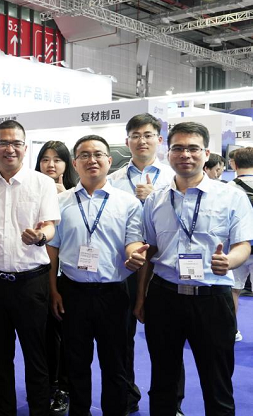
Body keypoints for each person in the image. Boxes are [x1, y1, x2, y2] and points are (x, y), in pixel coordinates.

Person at [135, 121, 253, 415]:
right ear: (168, 153)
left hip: (212, 299)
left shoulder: (231, 197)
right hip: (164, 297)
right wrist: (140, 298)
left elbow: (244, 244)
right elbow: (150, 250)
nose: (185, 154)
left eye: (193, 148)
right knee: (163, 380)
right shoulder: (156, 199)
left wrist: (230, 261)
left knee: (218, 384)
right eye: (178, 148)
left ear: (206, 153)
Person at [47, 135, 145, 416]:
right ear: (74, 163)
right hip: (72, 292)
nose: (92, 160)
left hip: (113, 293)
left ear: (109, 161)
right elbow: (52, 251)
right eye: (85, 155)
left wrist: (135, 254)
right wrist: (53, 290)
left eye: (98, 154)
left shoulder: (128, 203)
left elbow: (133, 241)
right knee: (76, 362)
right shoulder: (60, 202)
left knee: (116, 364)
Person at [0, 120, 60, 415]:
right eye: (4, 143)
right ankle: (5, 408)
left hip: (31, 283)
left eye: (16, 143)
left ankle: (39, 410)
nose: (10, 149)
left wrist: (40, 236)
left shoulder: (42, 183)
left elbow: (51, 227)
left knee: (36, 355)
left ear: (25, 147)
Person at [106, 112, 178, 414]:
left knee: (167, 341)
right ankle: (126, 395)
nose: (142, 141)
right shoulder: (113, 179)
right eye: (135, 136)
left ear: (159, 140)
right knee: (121, 338)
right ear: (127, 142)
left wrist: (154, 197)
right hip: (124, 267)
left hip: (163, 269)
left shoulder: (173, 178)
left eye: (148, 135)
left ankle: (171, 403)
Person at [34, 140, 76, 415]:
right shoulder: (32, 191)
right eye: (45, 159)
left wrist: (63, 197)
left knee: (69, 337)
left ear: (67, 164)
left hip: (69, 276)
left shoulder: (75, 194)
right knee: (46, 337)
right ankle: (49, 385)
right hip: (39, 274)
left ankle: (65, 387)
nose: (51, 165)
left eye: (57, 159)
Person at [226, 147, 253, 342]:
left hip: (236, 247)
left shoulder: (226, 189)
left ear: (234, 164)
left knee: (233, 290)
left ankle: (232, 330)